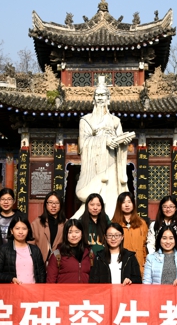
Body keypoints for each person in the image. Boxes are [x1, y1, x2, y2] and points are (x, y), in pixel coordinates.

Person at [90, 222, 142, 325]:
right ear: (105, 238)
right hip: (105, 303)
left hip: (124, 303)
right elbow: (93, 281)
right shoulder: (99, 256)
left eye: (116, 235)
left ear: (122, 237)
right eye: (110, 235)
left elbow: (138, 280)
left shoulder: (129, 256)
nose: (113, 238)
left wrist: (131, 281)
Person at [72, 76, 131, 219]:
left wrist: (124, 143)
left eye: (103, 95)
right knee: (93, 197)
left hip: (111, 163)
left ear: (108, 99)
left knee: (111, 197)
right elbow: (83, 143)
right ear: (93, 99)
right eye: (97, 95)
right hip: (94, 166)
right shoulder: (86, 120)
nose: (100, 98)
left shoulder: (115, 121)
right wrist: (105, 140)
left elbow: (120, 142)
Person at [46, 219, 92, 325]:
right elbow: (50, 282)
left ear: (82, 233)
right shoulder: (58, 254)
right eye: (70, 232)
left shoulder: (89, 253)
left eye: (77, 232)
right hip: (62, 305)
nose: (74, 235)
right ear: (65, 234)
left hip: (81, 305)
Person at [111, 191, 149, 273]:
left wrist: (146, 261)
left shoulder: (141, 223)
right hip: (120, 264)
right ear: (119, 205)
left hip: (139, 264)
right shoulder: (114, 224)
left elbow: (145, 245)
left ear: (133, 204)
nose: (127, 205)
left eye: (129, 202)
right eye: (123, 202)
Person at [30, 191, 65, 262]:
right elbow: (30, 245)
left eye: (57, 203)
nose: (53, 206)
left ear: (61, 205)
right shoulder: (37, 223)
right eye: (50, 202)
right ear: (46, 204)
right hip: (40, 262)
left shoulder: (65, 223)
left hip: (59, 262)